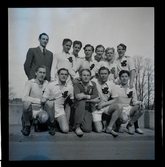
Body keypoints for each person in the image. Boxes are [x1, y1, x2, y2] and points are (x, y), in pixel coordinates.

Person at [115, 43, 142, 133]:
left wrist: (131, 83)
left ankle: (134, 126)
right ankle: (117, 124)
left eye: (122, 49)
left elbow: (132, 71)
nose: (120, 51)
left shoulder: (128, 59)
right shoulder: (116, 60)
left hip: (128, 82)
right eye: (118, 49)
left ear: (125, 50)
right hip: (119, 82)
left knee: (133, 103)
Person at [91, 66, 124, 137]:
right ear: (98, 74)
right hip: (95, 108)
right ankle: (99, 123)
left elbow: (115, 99)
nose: (103, 75)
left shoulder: (111, 84)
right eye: (102, 73)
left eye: (105, 74)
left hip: (105, 106)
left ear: (108, 74)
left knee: (119, 106)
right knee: (99, 130)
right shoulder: (93, 82)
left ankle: (109, 127)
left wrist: (104, 104)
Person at [42, 68, 74, 135]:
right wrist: (49, 98)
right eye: (62, 74)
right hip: (50, 108)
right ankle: (52, 124)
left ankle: (58, 123)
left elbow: (72, 100)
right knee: (49, 103)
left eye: (65, 74)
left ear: (67, 76)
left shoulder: (70, 87)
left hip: (60, 109)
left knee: (65, 130)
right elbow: (43, 99)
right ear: (58, 75)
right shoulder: (51, 85)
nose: (64, 76)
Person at [21, 65, 49, 136]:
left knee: (45, 117)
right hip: (30, 110)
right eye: (40, 72)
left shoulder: (46, 83)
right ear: (36, 73)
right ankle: (27, 125)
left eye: (44, 73)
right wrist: (39, 101)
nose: (42, 75)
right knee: (26, 103)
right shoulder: (30, 83)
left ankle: (37, 123)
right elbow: (24, 97)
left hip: (39, 110)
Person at [114, 70, 145, 135]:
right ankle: (117, 124)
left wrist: (140, 102)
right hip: (120, 109)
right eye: (122, 76)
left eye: (126, 76)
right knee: (124, 119)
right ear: (119, 78)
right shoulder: (116, 87)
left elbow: (134, 101)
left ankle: (130, 125)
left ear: (128, 78)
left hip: (128, 108)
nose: (124, 78)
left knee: (141, 108)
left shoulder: (132, 88)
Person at [72, 69, 100, 136]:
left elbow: (96, 95)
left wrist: (85, 96)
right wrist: (92, 98)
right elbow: (78, 97)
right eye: (84, 75)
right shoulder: (77, 84)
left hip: (88, 107)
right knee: (81, 102)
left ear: (90, 76)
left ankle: (84, 122)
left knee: (87, 129)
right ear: (80, 76)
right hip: (78, 106)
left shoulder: (93, 84)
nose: (86, 77)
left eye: (88, 75)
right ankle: (77, 126)